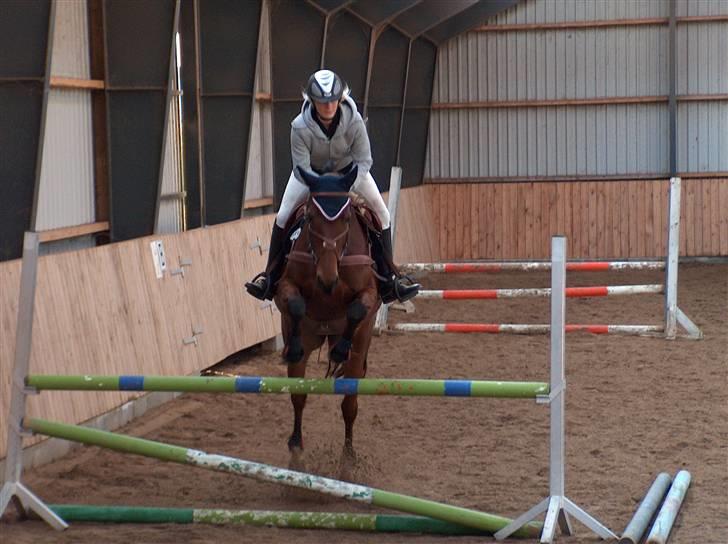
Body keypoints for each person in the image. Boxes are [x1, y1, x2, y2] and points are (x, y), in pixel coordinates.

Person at [245, 69, 419, 304]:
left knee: (383, 214)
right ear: (313, 101)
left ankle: (390, 280)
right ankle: (269, 278)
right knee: (283, 216)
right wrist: (320, 188)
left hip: (350, 174)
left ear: (340, 98)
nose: (328, 107)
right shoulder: (299, 127)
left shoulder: (355, 121)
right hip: (311, 177)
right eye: (322, 102)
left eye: (332, 101)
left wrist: (344, 186)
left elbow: (364, 160)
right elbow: (300, 167)